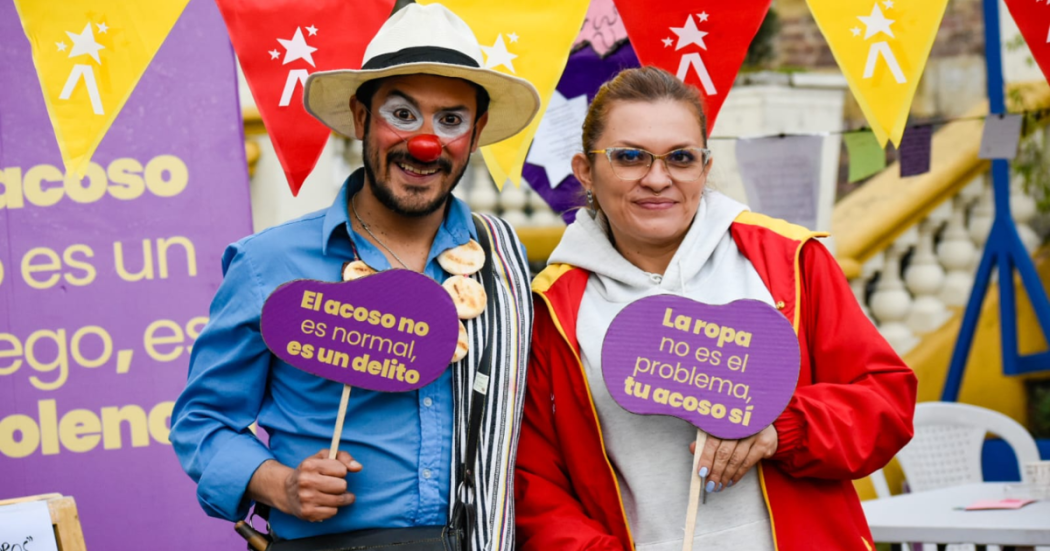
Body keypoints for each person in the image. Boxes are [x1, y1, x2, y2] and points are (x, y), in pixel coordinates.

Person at [170, 4, 540, 548]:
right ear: (362, 118)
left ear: (477, 133)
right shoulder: (270, 263)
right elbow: (202, 421)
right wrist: (281, 484)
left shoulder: (502, 257)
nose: (424, 144)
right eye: (403, 114)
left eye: (451, 121)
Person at [514, 66, 917, 551]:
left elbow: (886, 402)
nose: (658, 179)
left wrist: (779, 429)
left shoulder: (788, 260)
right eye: (629, 157)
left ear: (705, 168)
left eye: (680, 158)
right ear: (586, 172)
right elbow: (535, 482)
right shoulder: (551, 308)